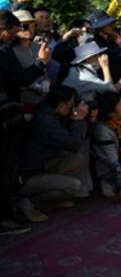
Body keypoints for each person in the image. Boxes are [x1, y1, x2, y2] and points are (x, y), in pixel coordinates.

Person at [17, 86, 90, 221]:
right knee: (74, 186)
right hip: (29, 176)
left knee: (77, 159)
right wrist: (79, 120)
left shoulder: (48, 113)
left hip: (42, 165)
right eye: (71, 105)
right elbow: (73, 144)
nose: (73, 108)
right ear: (61, 105)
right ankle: (28, 201)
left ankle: (54, 198)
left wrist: (80, 120)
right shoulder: (45, 121)